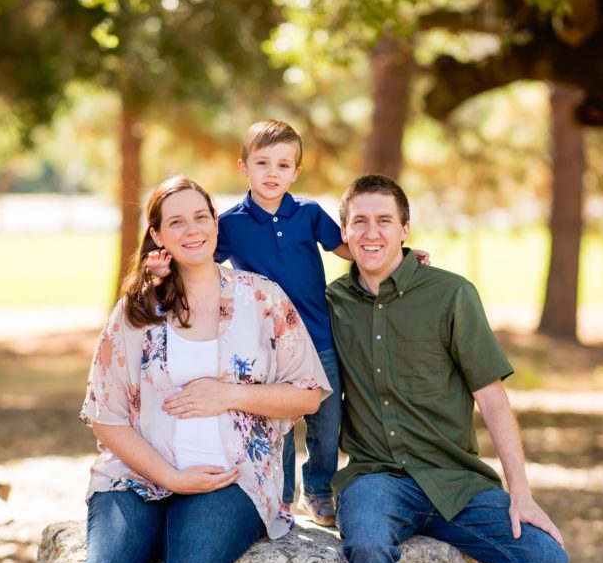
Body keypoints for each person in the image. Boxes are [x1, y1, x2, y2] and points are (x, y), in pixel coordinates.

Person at [15, 175, 330, 563]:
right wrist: (169, 478)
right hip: (137, 476)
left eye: (202, 216)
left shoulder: (263, 298)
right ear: (156, 236)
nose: (194, 229)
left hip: (232, 476)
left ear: (217, 223)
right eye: (177, 221)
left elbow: (310, 394)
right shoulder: (139, 307)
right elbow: (104, 414)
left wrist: (229, 394)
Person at [325, 174, 569, 563]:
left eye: (385, 221)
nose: (372, 232)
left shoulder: (452, 293)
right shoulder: (328, 306)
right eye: (359, 222)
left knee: (545, 559)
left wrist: (522, 492)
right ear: (345, 234)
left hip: (456, 478)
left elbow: (492, 399)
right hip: (376, 476)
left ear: (407, 231)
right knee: (368, 547)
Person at [147, 120, 429, 527]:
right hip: (262, 344)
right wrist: (163, 268)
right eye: (262, 163)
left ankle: (318, 490)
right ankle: (277, 494)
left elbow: (349, 248)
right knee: (273, 421)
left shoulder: (310, 215)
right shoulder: (231, 223)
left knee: (326, 420)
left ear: (296, 172)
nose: (272, 173)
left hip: (318, 336)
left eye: (283, 165)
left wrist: (398, 254)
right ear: (243, 167)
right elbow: (200, 260)